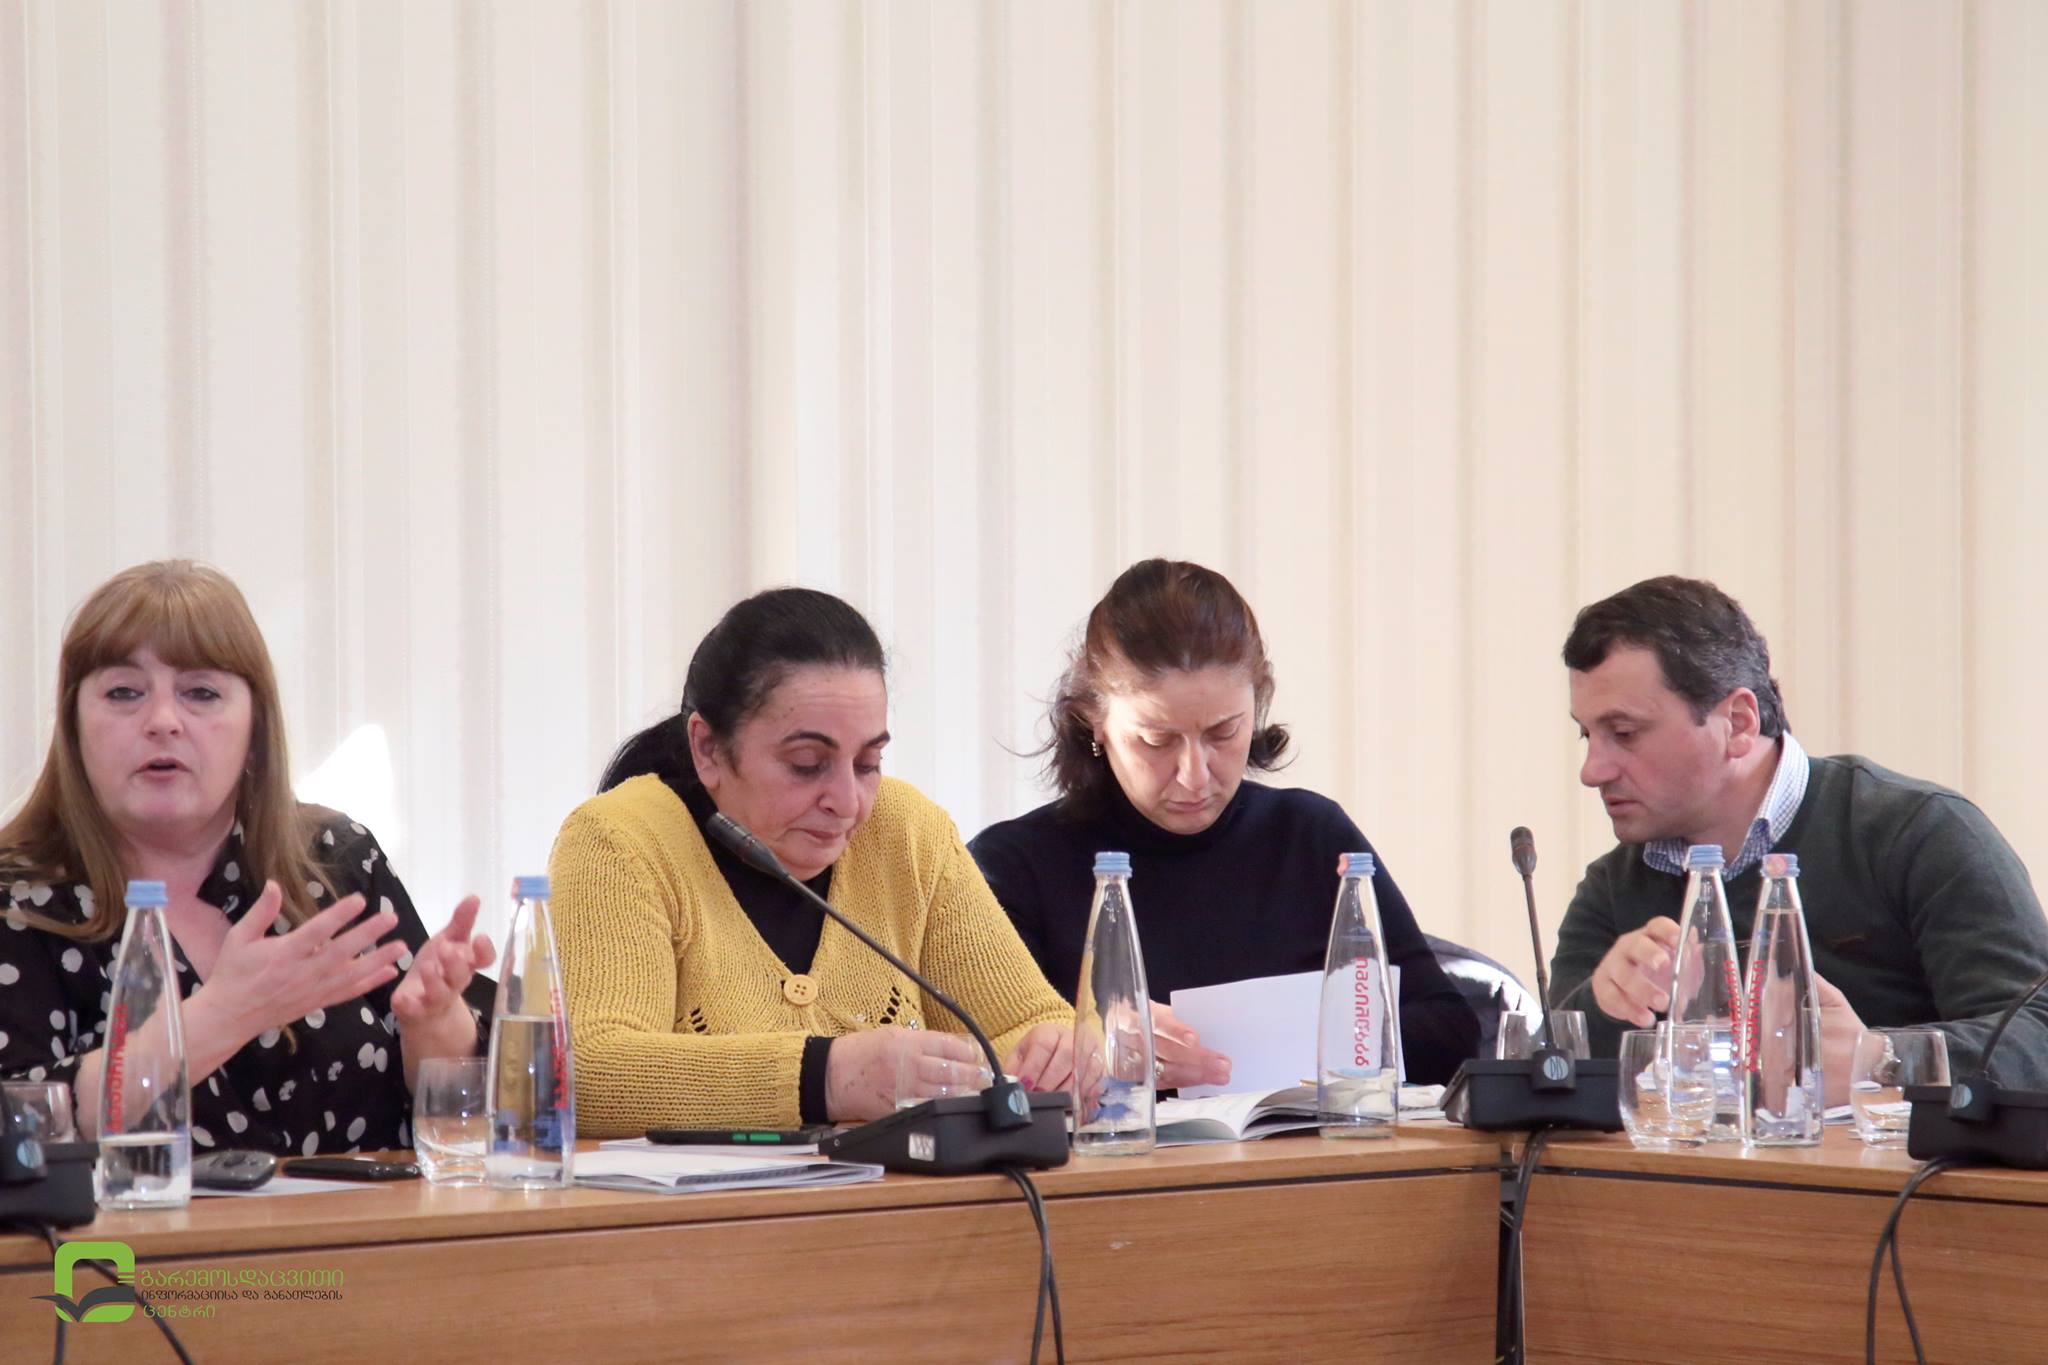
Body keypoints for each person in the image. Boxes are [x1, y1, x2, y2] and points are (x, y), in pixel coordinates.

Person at [0, 562, 495, 1155]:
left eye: (201, 693)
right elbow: (19, 1128)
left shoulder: (335, 861)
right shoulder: (17, 901)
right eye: (124, 692)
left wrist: (434, 1024)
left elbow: (463, 1123)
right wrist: (222, 1015)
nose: (163, 722)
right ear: (74, 724)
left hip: (371, 1219)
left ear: (255, 729)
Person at [548, 587, 1074, 1136]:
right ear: (708, 748)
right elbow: (585, 1072)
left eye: (868, 763)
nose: (846, 802)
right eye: (806, 763)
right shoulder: (619, 840)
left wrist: (1058, 1051)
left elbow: (1023, 1024)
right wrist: (825, 1076)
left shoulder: (907, 831)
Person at [971, 559, 1481, 1088]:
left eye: (1223, 733)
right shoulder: (1014, 867)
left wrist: (1292, 1038)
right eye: (1156, 740)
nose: (1195, 775)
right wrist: (1097, 1049)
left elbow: (1450, 1030)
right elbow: (982, 1066)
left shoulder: (1310, 837)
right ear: (1094, 722)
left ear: (1257, 705)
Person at [1551, 575, 2048, 1097]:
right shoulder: (1615, 885)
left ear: (1738, 723)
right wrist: (1605, 1009)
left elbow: (2037, 1035)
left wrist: (1883, 1060)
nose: (1591, 770)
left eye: (1624, 733)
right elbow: (1549, 1070)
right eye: (1587, 734)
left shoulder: (1918, 833)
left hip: (1893, 1153)